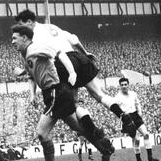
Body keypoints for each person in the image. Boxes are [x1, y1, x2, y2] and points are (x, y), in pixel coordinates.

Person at [11, 24, 114, 161]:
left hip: (56, 92)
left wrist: (72, 72)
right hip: (49, 94)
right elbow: (31, 75)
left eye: (14, 38)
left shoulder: (36, 48)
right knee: (79, 128)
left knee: (42, 132)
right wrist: (32, 93)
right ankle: (104, 147)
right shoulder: (24, 55)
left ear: (25, 38)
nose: (12, 41)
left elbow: (59, 53)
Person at [14, 9, 137, 138]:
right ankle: (124, 116)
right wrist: (85, 52)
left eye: (21, 24)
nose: (20, 28)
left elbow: (37, 58)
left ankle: (94, 133)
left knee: (74, 103)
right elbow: (74, 39)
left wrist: (23, 71)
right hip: (78, 57)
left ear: (29, 21)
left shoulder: (34, 36)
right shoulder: (51, 26)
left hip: (64, 62)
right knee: (99, 94)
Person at [115, 77, 159, 161]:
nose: (124, 86)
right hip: (127, 118)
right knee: (137, 139)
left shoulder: (133, 94)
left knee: (146, 134)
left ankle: (150, 156)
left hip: (135, 116)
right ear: (120, 86)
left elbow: (137, 103)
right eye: (122, 85)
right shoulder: (117, 97)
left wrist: (140, 112)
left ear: (128, 85)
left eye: (125, 84)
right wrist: (120, 121)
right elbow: (115, 110)